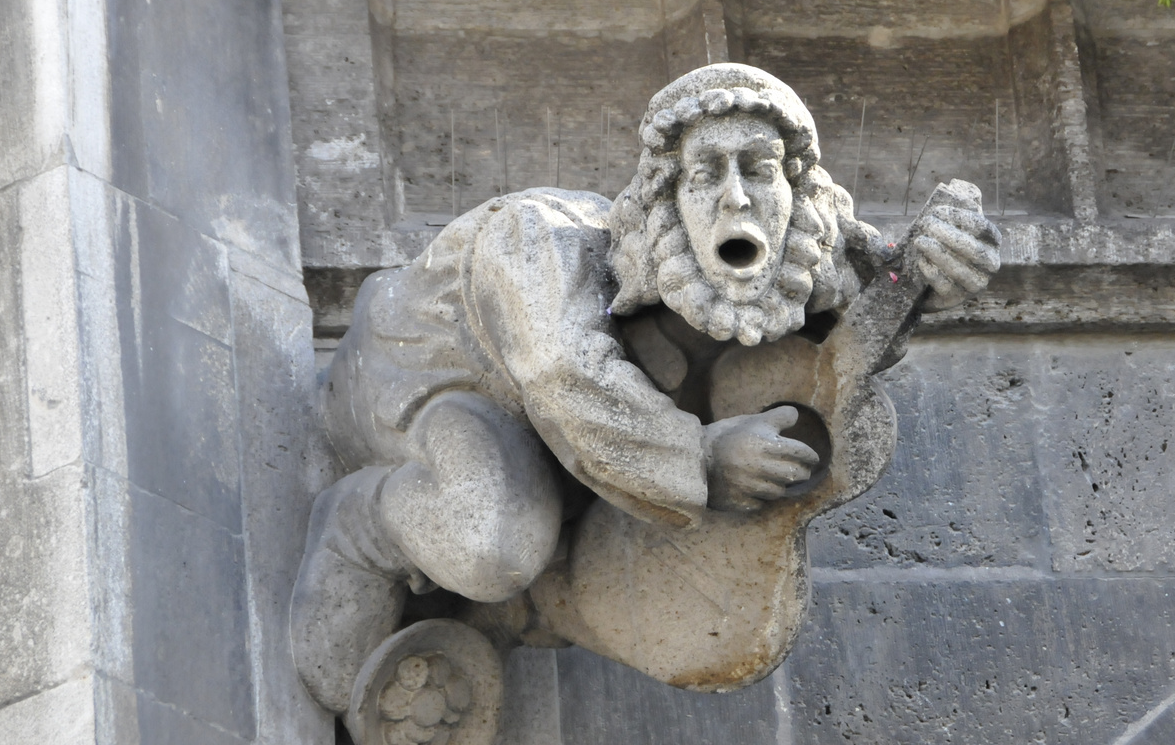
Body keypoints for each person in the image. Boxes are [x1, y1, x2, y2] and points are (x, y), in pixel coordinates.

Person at [289, 63, 1001, 716]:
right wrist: (700, 459)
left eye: (759, 170)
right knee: (491, 540)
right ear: (665, 199)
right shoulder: (538, 240)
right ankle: (364, 527)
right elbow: (564, 375)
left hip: (555, 457)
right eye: (706, 174)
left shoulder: (786, 258)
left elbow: (856, 291)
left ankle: (525, 604)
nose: (735, 197)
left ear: (795, 195)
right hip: (429, 392)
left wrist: (929, 268)